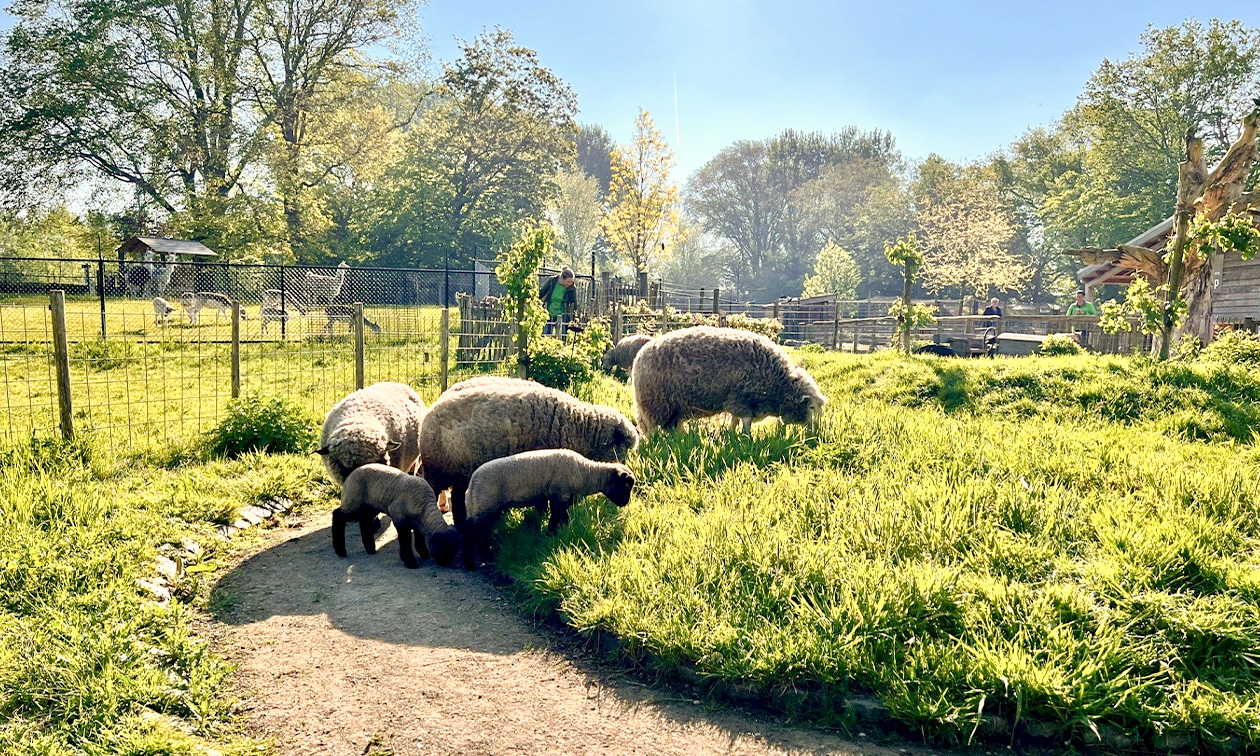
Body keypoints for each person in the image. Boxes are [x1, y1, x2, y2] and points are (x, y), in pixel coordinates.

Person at [539, 267, 577, 336]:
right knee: (546, 335)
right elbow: (542, 292)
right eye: (568, 281)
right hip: (549, 313)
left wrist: (573, 318)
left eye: (571, 281)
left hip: (562, 315)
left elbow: (574, 304)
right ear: (562, 279)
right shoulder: (552, 281)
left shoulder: (572, 288)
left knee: (562, 336)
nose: (570, 283)